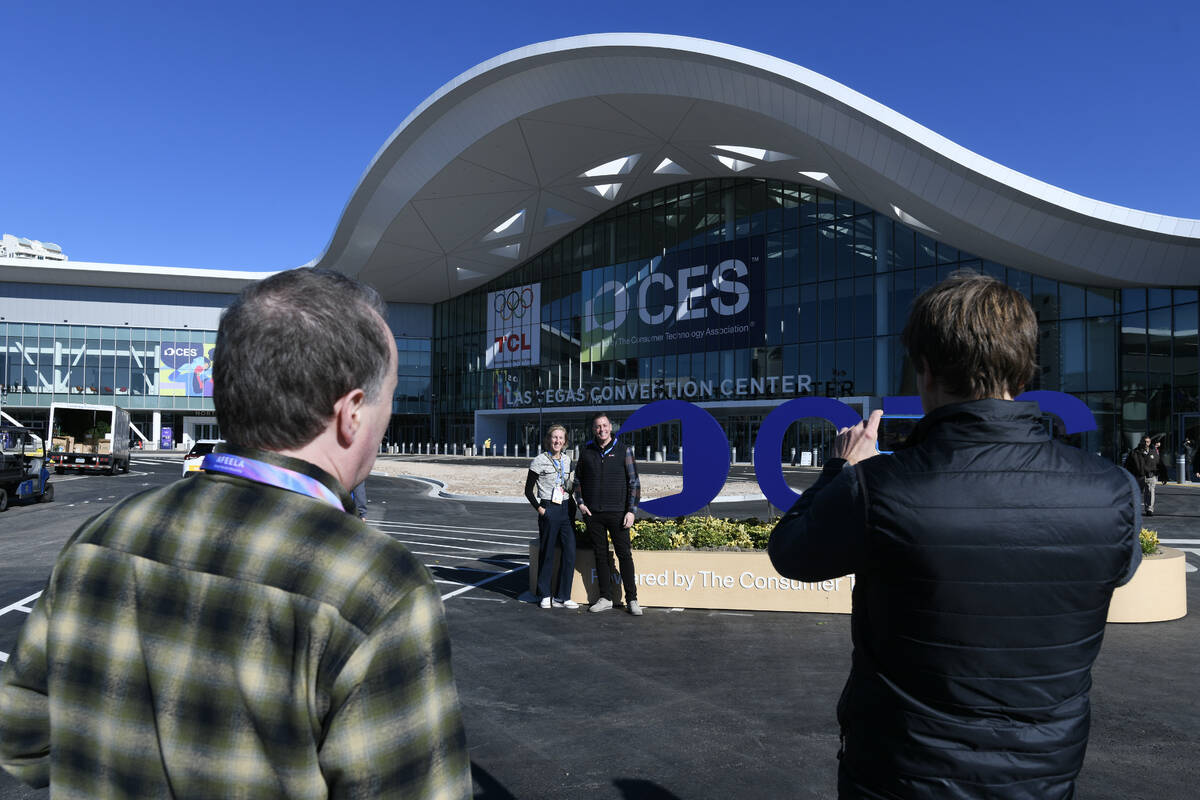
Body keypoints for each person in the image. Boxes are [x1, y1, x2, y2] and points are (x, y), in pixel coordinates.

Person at [0, 268, 470, 798]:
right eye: (387, 403)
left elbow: (20, 739)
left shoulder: (100, 538)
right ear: (352, 413)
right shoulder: (379, 588)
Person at [769, 271, 1140, 799]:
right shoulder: (1113, 491)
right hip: (1041, 778)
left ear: (924, 369)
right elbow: (1117, 570)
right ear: (1027, 364)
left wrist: (842, 471)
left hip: (902, 774)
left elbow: (791, 554)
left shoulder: (877, 490)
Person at [574, 412, 642, 615]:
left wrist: (631, 511)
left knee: (624, 556)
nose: (601, 430)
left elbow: (634, 483)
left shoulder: (624, 450)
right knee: (600, 556)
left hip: (619, 513)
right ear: (593, 429)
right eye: (597, 426)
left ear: (610, 427)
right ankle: (605, 598)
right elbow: (577, 480)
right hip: (593, 514)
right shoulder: (586, 451)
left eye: (604, 426)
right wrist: (581, 503)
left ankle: (632, 599)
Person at [524, 424, 579, 609]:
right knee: (547, 553)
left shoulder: (566, 459)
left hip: (565, 508)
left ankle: (563, 596)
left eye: (561, 438)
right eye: (554, 437)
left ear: (565, 441)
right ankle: (545, 594)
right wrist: (541, 510)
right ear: (549, 439)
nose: (558, 441)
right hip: (548, 507)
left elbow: (567, 485)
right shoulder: (539, 460)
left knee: (570, 552)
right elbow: (528, 491)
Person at [1124, 434, 1160, 515]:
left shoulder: (1153, 452)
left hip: (1150, 476)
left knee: (1150, 492)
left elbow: (1158, 463)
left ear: (1150, 442)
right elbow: (1127, 465)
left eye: (1148, 442)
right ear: (1141, 442)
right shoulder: (1134, 452)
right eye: (1145, 442)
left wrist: (1160, 474)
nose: (1146, 443)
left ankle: (1149, 510)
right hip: (1137, 476)